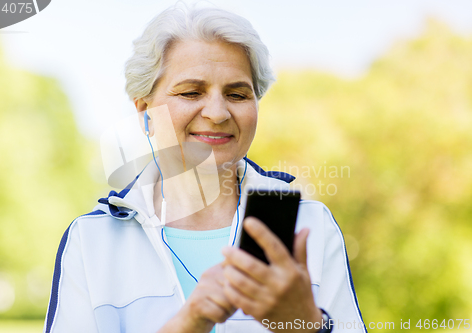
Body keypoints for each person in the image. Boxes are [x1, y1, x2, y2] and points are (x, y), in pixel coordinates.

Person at [44, 4, 366, 333]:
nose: (217, 112)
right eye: (191, 92)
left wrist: (307, 325)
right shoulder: (93, 241)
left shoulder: (309, 224)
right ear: (144, 112)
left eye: (237, 94)